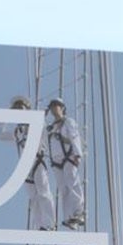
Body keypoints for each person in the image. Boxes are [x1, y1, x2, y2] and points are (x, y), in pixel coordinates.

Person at [0, 95, 56, 230]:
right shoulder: (17, 132)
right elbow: (0, 135)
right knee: (33, 198)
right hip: (24, 167)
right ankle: (41, 226)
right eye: (16, 109)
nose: (18, 110)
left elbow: (45, 135)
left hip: (37, 161)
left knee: (44, 192)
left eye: (21, 108)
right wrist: (5, 117)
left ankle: (50, 223)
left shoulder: (36, 124)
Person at [45, 98, 86, 228]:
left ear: (62, 107)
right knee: (63, 189)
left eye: (56, 106)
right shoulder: (50, 128)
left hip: (68, 157)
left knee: (72, 183)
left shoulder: (68, 122)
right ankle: (69, 217)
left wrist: (77, 154)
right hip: (56, 161)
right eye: (51, 106)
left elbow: (75, 137)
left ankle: (79, 212)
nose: (53, 108)